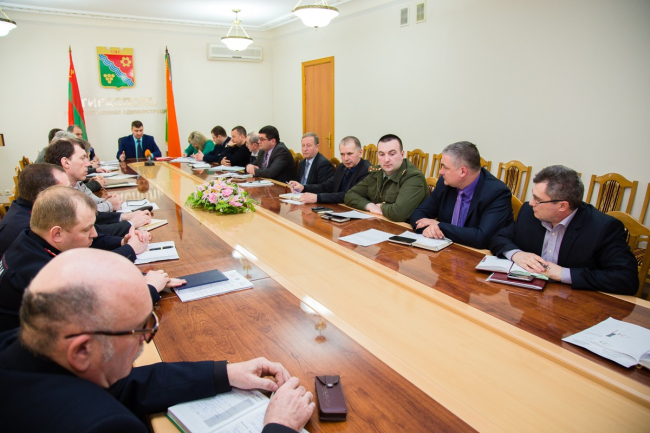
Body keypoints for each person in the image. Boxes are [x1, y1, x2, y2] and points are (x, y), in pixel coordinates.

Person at [0, 248, 315, 432]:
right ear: (82, 349)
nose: (147, 341)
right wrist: (280, 426)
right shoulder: (102, 426)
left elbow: (123, 385)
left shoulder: (22, 346)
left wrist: (225, 373)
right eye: (141, 329)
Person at [0, 186, 169, 332]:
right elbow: (103, 321)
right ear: (57, 234)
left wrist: (136, 279)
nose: (94, 234)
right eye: (86, 229)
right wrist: (150, 289)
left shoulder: (31, 240)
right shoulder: (41, 276)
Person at [489, 165, 639, 295]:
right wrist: (517, 255)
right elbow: (499, 238)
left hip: (575, 303)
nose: (531, 203)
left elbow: (626, 279)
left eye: (538, 200)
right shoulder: (529, 213)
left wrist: (563, 274)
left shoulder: (603, 228)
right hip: (527, 296)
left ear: (562, 206)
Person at [409, 141, 513, 249]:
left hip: (475, 254)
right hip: (444, 250)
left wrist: (439, 226)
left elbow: (481, 238)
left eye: (445, 167)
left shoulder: (497, 193)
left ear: (463, 171)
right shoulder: (445, 184)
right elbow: (418, 213)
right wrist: (428, 228)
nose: (441, 172)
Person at [44, 137, 151, 235]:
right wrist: (127, 221)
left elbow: (93, 206)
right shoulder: (57, 194)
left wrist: (107, 203)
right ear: (66, 162)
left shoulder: (77, 183)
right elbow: (91, 222)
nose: (88, 164)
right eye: (82, 158)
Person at [345, 134, 428, 222]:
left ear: (402, 154)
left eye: (392, 154)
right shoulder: (377, 172)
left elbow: (398, 213)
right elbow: (350, 195)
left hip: (406, 227)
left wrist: (381, 206)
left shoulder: (413, 177)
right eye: (382, 154)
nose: (386, 159)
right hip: (381, 222)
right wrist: (369, 206)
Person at [288, 136, 370, 204]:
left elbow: (349, 195)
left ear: (360, 152)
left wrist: (318, 198)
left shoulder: (367, 170)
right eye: (342, 154)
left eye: (349, 154)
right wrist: (303, 188)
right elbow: (326, 187)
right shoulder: (342, 167)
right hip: (338, 208)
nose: (346, 158)